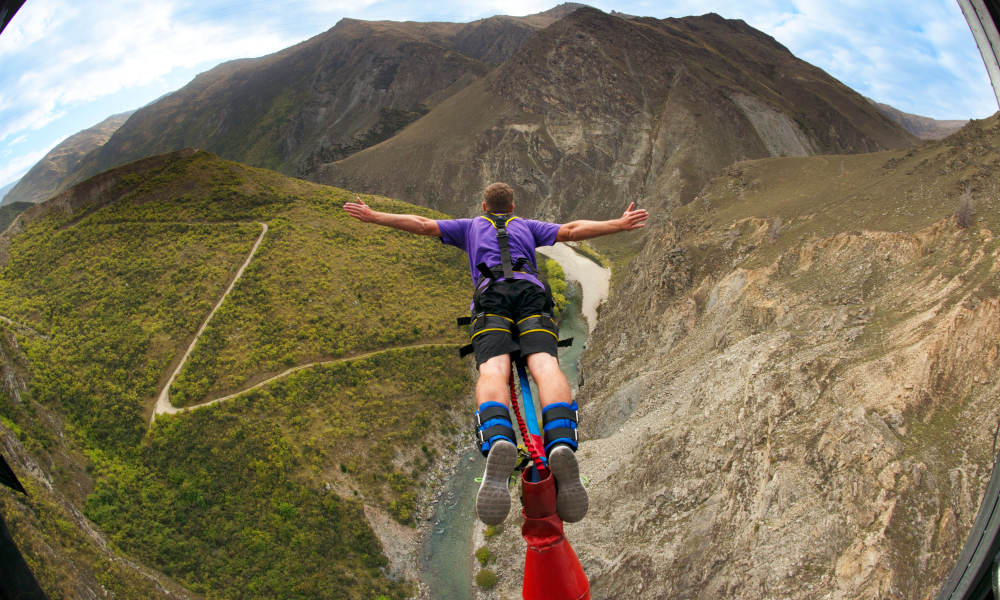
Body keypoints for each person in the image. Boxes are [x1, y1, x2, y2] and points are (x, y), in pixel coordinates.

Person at [343, 183, 648, 525]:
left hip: (492, 303)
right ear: (512, 206)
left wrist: (374, 217)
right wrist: (618, 225)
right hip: (532, 297)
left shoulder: (470, 226)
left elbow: (421, 223)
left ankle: (500, 438)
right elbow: (573, 230)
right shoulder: (527, 226)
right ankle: (560, 439)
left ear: (485, 206)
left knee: (493, 370)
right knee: (545, 365)